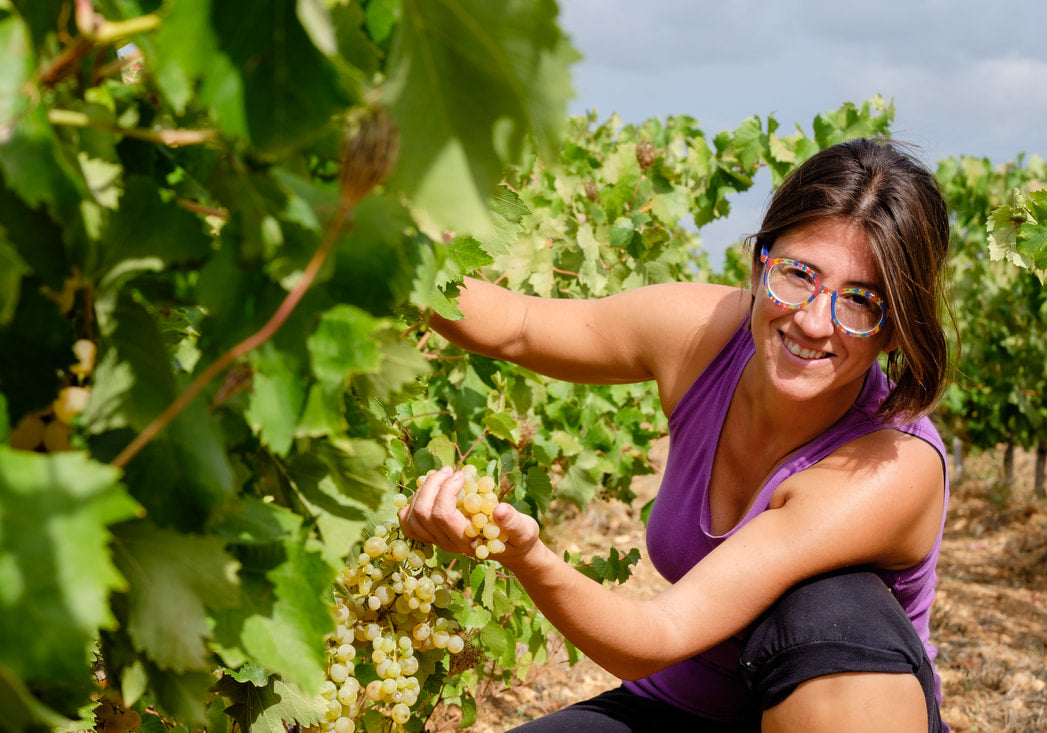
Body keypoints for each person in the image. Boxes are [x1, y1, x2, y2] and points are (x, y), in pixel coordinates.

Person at [399, 137, 952, 732]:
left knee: (831, 609)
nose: (816, 322)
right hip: (680, 708)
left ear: (896, 330)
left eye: (862, 301)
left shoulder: (890, 464)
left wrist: (525, 557)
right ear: (759, 263)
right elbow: (520, 326)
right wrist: (386, 245)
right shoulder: (705, 334)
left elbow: (661, 631)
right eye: (798, 274)